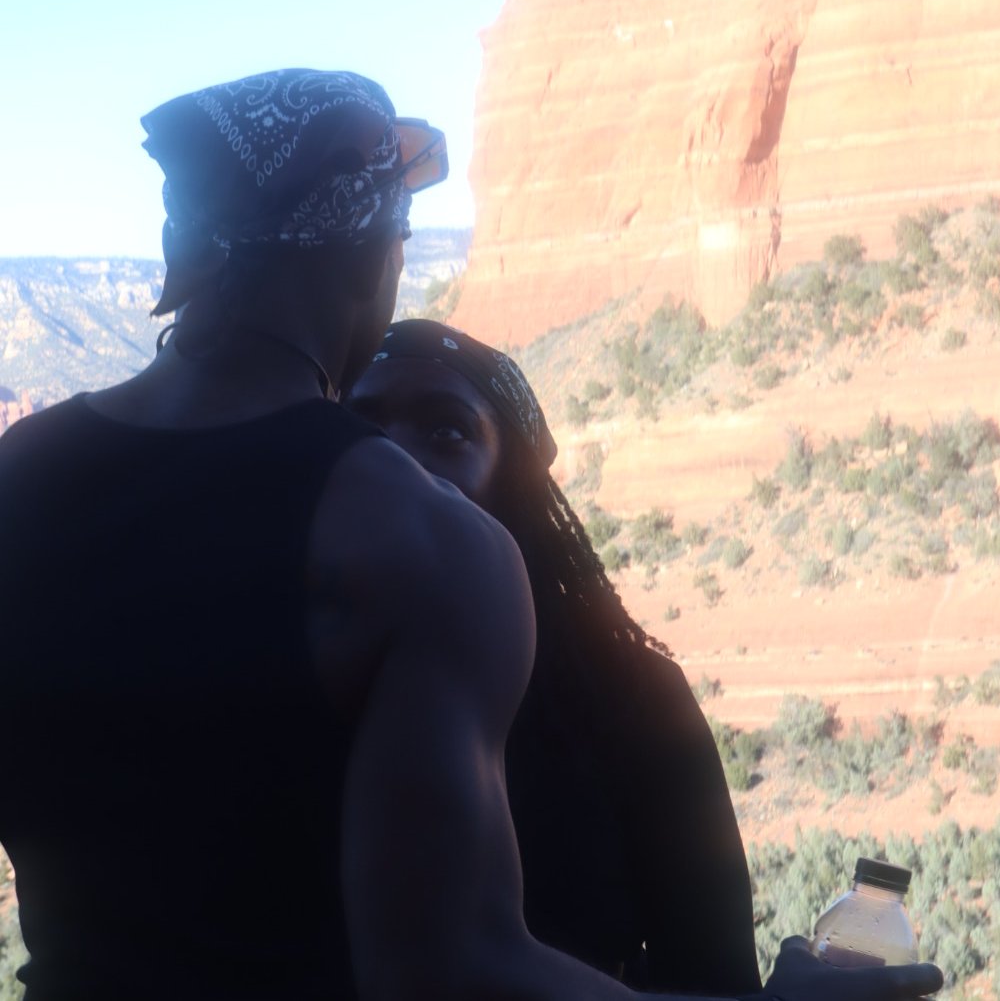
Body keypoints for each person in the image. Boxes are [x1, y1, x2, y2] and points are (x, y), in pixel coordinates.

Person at [0, 67, 944, 1001]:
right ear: (373, 256)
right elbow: (449, 969)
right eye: (401, 238)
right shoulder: (419, 540)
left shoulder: (23, 475)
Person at [348, 319, 762, 993]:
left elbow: (716, 976)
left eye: (445, 431)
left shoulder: (632, 701)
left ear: (513, 483)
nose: (396, 461)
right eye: (360, 430)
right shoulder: (276, 680)